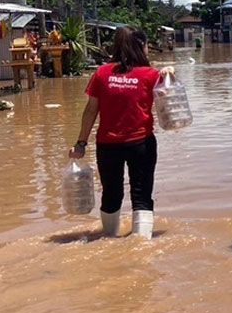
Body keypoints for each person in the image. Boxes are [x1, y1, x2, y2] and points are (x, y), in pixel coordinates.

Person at [69, 27, 172, 240]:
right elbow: (171, 103)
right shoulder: (151, 75)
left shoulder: (101, 73)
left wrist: (80, 143)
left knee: (111, 195)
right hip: (141, 144)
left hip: (108, 146)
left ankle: (108, 240)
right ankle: (141, 244)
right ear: (141, 47)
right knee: (142, 196)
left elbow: (90, 111)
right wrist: (169, 72)